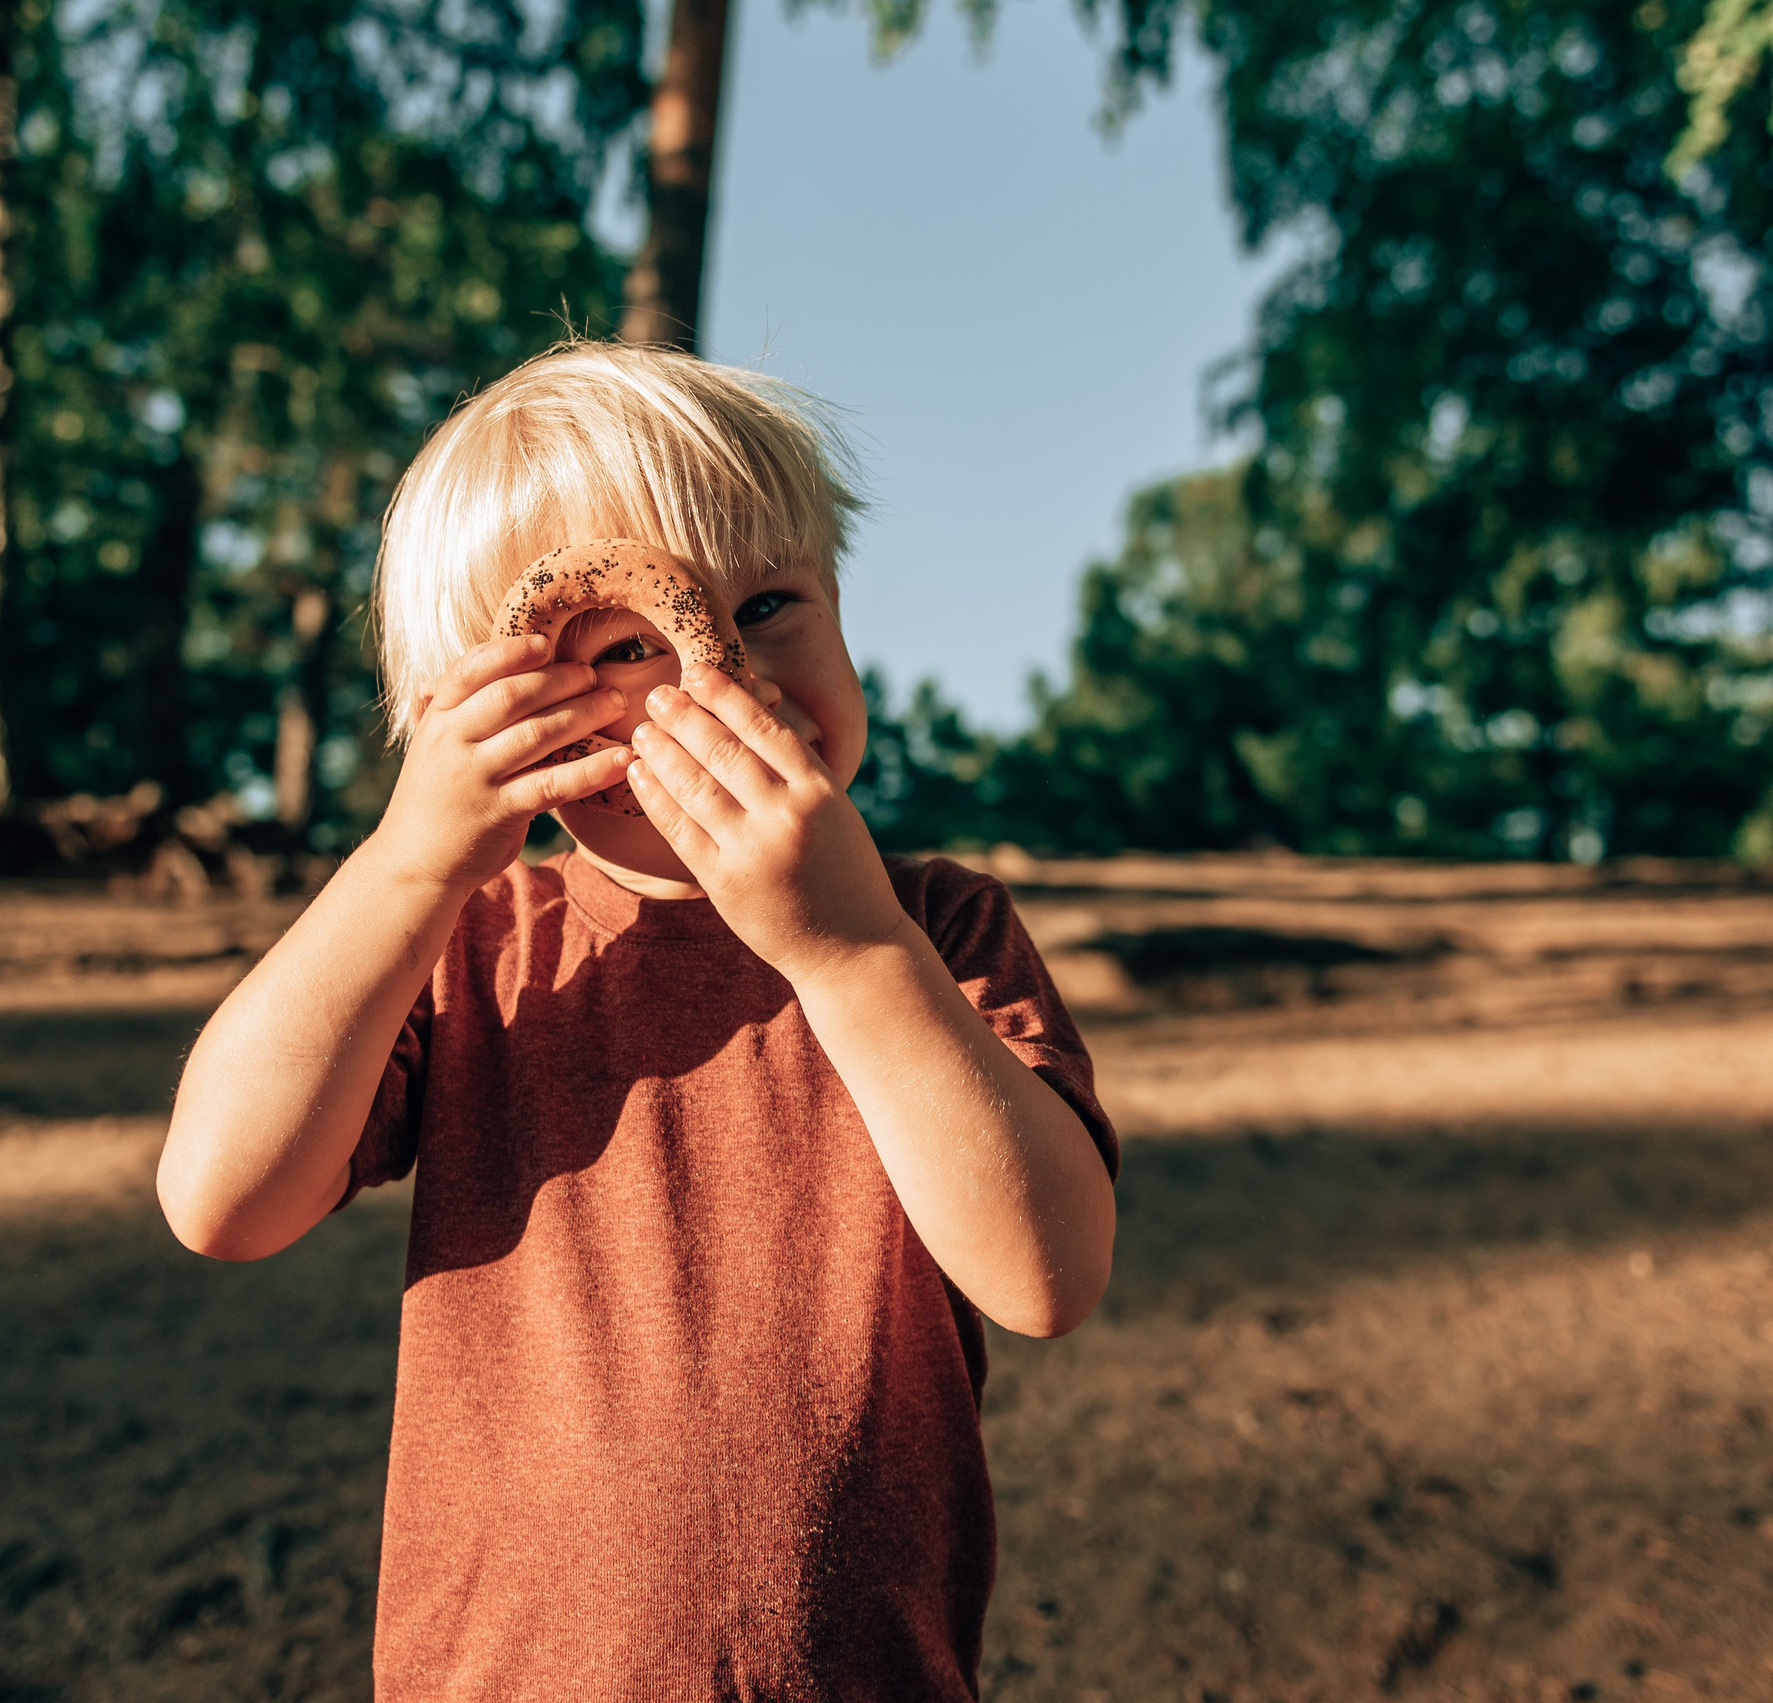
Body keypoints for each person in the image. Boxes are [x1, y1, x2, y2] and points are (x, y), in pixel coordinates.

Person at [157, 340, 1117, 1700]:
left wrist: (847, 952)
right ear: (476, 719)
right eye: (618, 649)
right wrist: (407, 867)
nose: (726, 675)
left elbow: (1047, 1277)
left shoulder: (933, 931)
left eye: (774, 602)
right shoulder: (474, 947)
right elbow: (219, 1198)